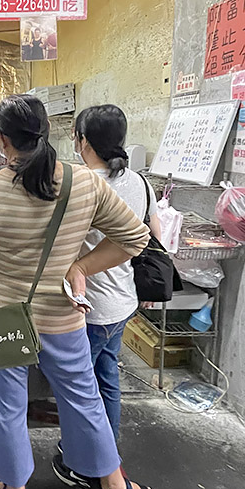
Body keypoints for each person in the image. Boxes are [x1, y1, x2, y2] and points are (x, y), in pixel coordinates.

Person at [0, 95, 159, 489]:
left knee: (7, 407)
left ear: (3, 141)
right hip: (63, 316)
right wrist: (79, 265)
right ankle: (115, 488)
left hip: (0, 317)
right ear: (49, 133)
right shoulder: (84, 184)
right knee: (83, 399)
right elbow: (135, 238)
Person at [70, 105, 162, 442]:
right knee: (107, 374)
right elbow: (154, 233)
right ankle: (108, 446)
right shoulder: (139, 182)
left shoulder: (80, 184)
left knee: (80, 384)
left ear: (83, 141)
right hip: (123, 300)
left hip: (89, 303)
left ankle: (85, 456)